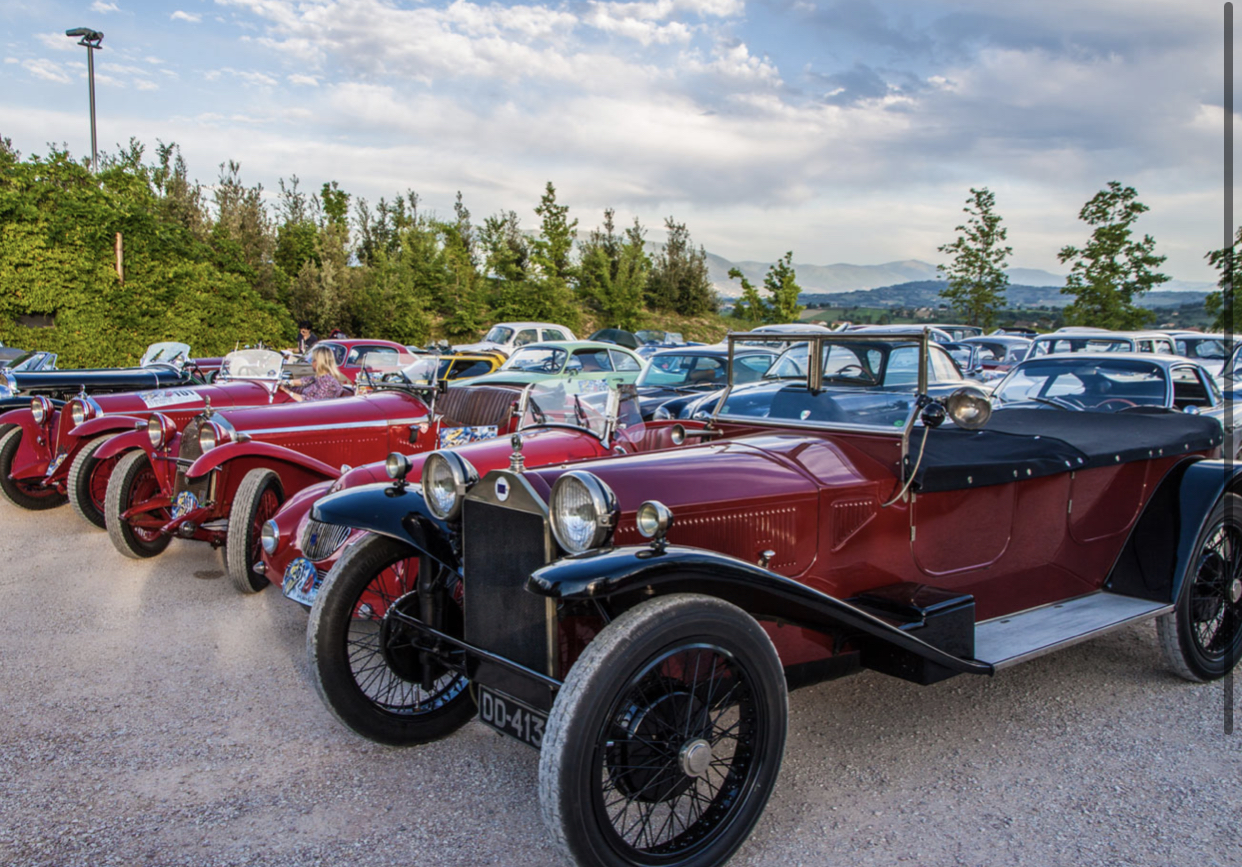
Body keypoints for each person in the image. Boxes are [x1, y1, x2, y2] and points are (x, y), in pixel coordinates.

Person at [279, 345, 349, 402]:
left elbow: (312, 402)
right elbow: (303, 381)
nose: (311, 362)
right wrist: (284, 382)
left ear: (319, 362)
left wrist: (288, 392)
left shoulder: (328, 382)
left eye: (313, 359)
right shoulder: (319, 377)